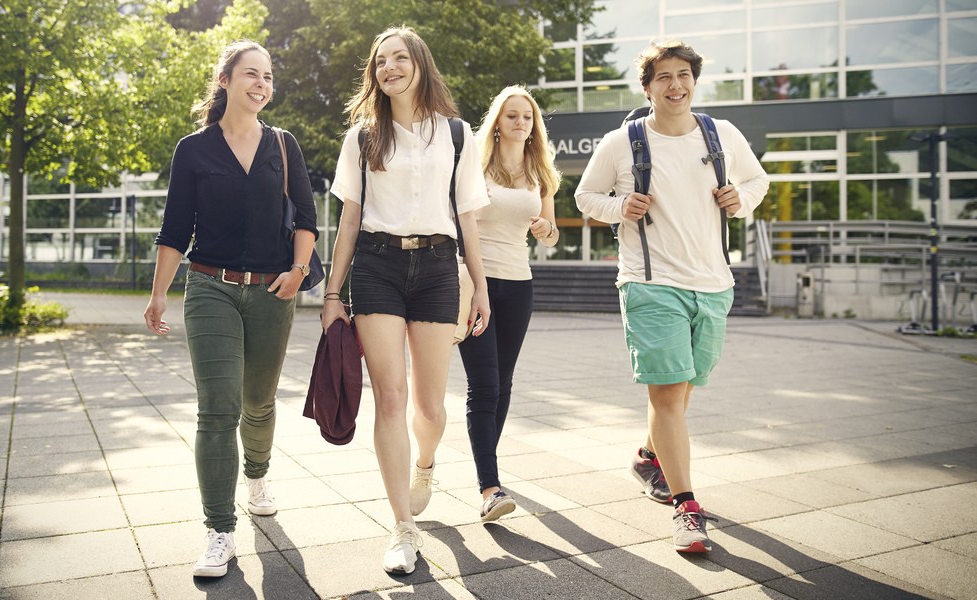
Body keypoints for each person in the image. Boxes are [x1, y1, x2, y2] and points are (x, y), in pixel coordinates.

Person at [575, 40, 769, 553]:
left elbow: (757, 181)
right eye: (663, 77)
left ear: (694, 81)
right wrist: (621, 206)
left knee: (683, 391)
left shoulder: (720, 134)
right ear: (647, 86)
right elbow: (584, 196)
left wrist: (740, 198)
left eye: (683, 75)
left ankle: (647, 455)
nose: (675, 85)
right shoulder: (623, 142)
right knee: (667, 391)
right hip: (649, 281)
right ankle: (687, 507)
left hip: (713, 284)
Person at [143, 40, 318, 578]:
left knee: (258, 403)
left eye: (267, 76)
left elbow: (308, 220)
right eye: (250, 74)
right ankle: (219, 529)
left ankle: (258, 474)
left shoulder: (284, 146)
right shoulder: (194, 150)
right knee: (217, 408)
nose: (261, 84)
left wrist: (296, 274)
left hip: (272, 292)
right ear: (225, 80)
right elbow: (176, 229)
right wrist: (157, 296)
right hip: (210, 288)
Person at [320, 26, 490, 575]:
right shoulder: (363, 137)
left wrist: (480, 285)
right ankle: (402, 527)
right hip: (377, 267)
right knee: (390, 399)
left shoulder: (458, 134)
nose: (389, 67)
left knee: (431, 407)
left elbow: (467, 217)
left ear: (420, 63)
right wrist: (330, 294)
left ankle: (426, 462)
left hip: (440, 268)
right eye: (381, 60)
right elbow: (348, 219)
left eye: (399, 57)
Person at [460, 85, 560, 522]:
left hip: (519, 286)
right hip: (475, 284)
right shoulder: (475, 166)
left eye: (527, 117)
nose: (521, 122)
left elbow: (553, 232)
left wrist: (545, 230)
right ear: (497, 123)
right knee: (483, 385)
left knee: (503, 382)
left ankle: (488, 468)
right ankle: (490, 487)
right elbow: (457, 221)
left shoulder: (541, 173)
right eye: (512, 115)